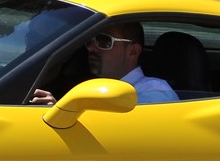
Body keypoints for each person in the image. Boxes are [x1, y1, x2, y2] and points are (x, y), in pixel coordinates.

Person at [29, 22, 178, 105]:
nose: (91, 47)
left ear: (132, 51)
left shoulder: (154, 93)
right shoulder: (87, 87)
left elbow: (125, 138)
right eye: (90, 40)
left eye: (104, 41)